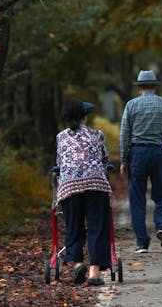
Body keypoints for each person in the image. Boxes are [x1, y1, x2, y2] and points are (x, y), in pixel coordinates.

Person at [119, 70, 162, 253]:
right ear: (155, 86)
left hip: (137, 153)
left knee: (137, 198)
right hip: (159, 153)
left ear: (139, 88)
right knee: (161, 194)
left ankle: (141, 242)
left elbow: (124, 135)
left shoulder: (131, 106)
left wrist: (123, 160)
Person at [55, 99, 112, 286]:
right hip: (96, 185)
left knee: (73, 226)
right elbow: (104, 158)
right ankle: (95, 272)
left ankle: (78, 262)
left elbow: (61, 162)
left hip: (70, 187)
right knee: (97, 226)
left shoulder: (60, 137)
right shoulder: (97, 134)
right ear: (84, 117)